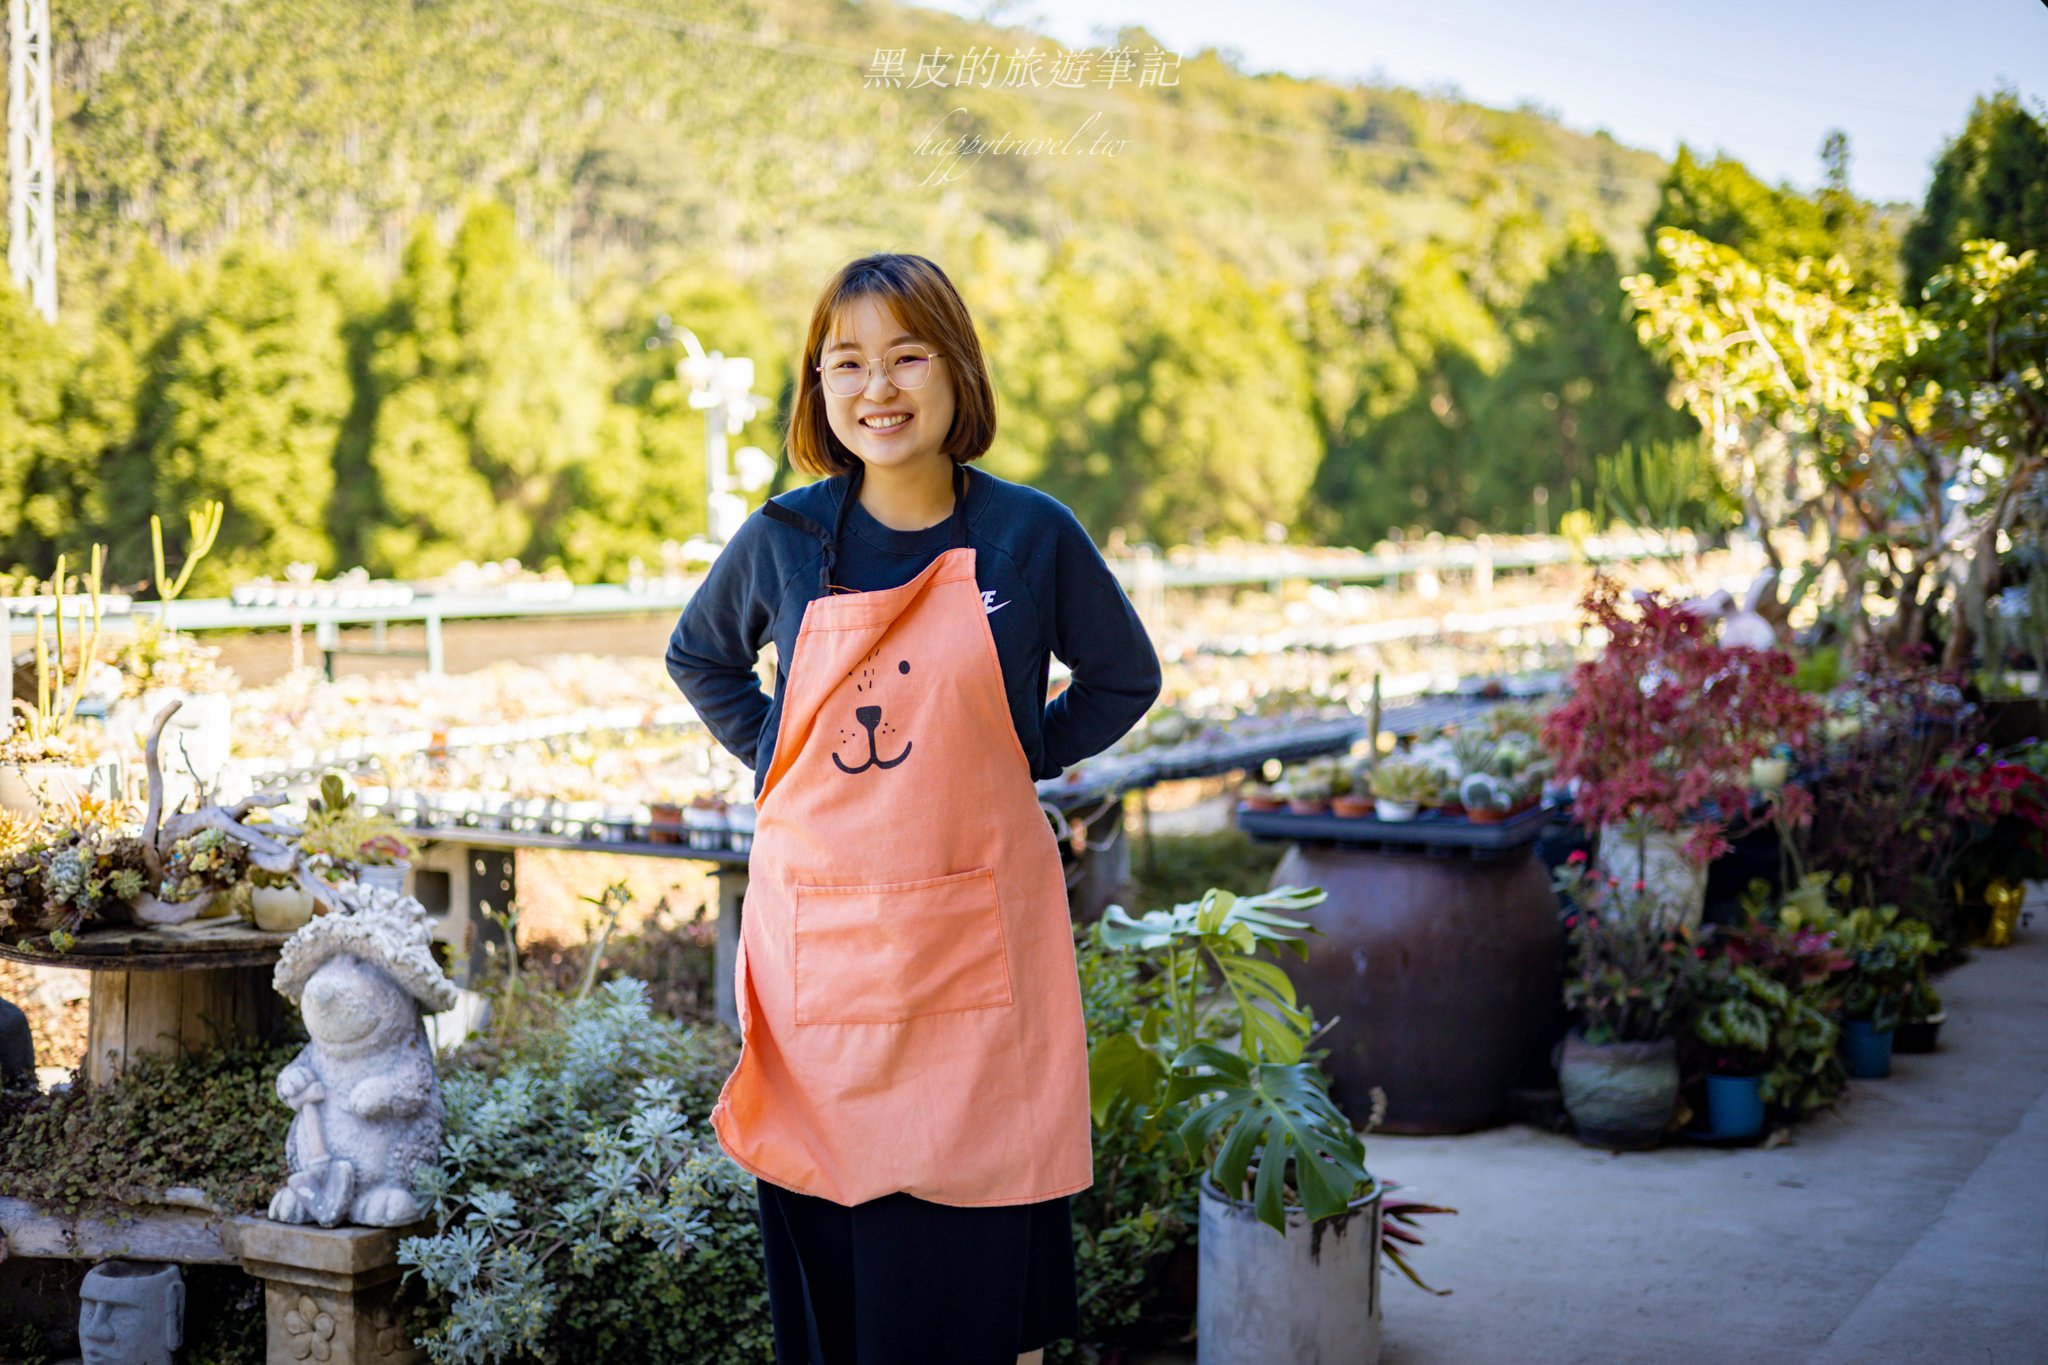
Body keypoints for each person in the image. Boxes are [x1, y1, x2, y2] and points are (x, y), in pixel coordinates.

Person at [665, 252, 1162, 1365]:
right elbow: (699, 655)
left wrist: (1008, 754)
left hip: (977, 941)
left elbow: (1124, 678)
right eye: (846, 362)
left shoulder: (1031, 534)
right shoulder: (785, 538)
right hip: (824, 948)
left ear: (955, 374)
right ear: (817, 389)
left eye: (905, 355)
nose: (876, 387)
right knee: (840, 1250)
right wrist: (778, 757)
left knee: (979, 1253)